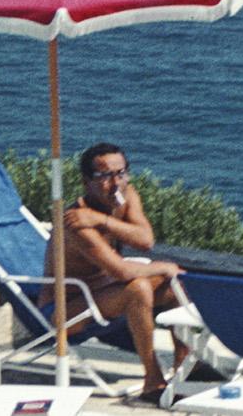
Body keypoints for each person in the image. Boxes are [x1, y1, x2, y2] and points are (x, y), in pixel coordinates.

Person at [60, 143, 184, 399]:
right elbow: (120, 271)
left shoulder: (125, 196)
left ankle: (185, 368)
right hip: (67, 308)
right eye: (104, 176)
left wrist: (102, 220)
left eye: (121, 173)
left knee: (177, 284)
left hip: (106, 292)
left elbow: (145, 240)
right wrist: (163, 267)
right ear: (86, 182)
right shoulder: (76, 221)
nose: (115, 183)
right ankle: (152, 381)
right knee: (138, 288)